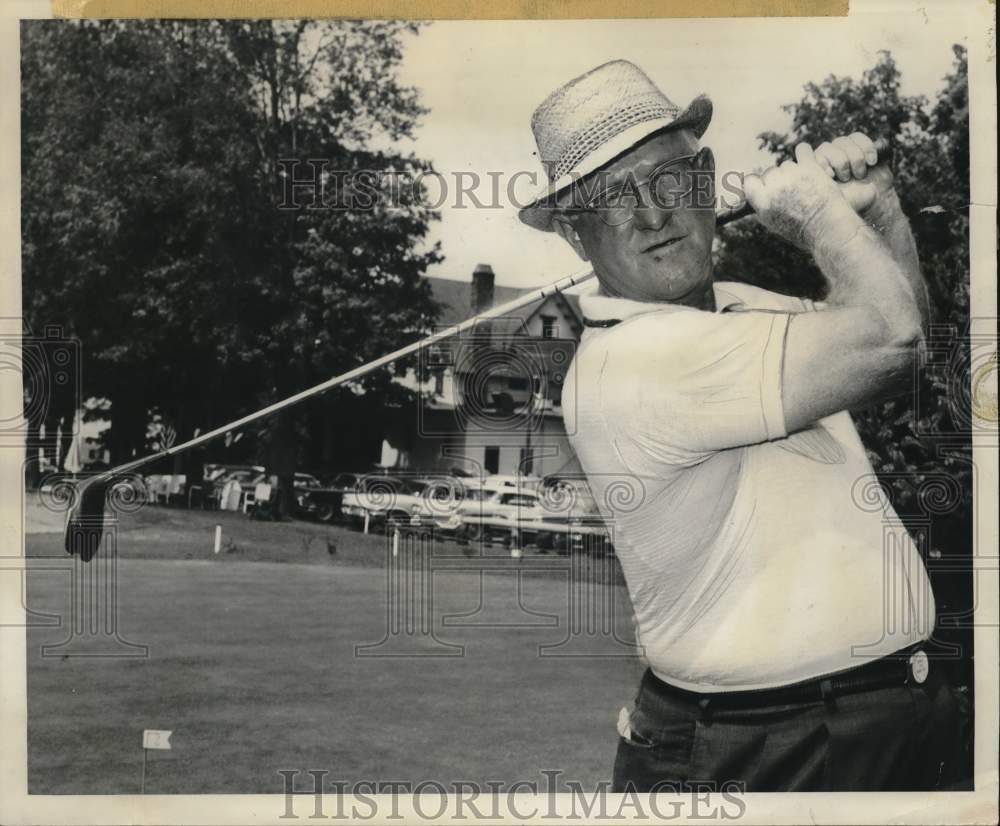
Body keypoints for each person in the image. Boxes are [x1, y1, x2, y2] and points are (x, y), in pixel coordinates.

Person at [518, 60, 960, 792]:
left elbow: (905, 358)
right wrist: (819, 216)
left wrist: (878, 211)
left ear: (707, 176)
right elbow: (892, 340)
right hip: (765, 749)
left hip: (894, 716)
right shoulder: (633, 361)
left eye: (668, 180)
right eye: (612, 200)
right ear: (574, 233)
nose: (654, 215)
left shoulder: (747, 305)